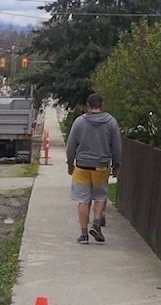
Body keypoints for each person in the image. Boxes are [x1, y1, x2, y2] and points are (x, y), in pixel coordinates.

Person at [65, 93, 122, 244]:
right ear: (101, 106)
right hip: (101, 167)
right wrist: (116, 165)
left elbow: (71, 147)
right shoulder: (111, 122)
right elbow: (116, 148)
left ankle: (84, 235)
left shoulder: (79, 122)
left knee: (83, 200)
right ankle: (96, 223)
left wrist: (70, 164)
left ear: (87, 106)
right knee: (100, 197)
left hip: (82, 167)